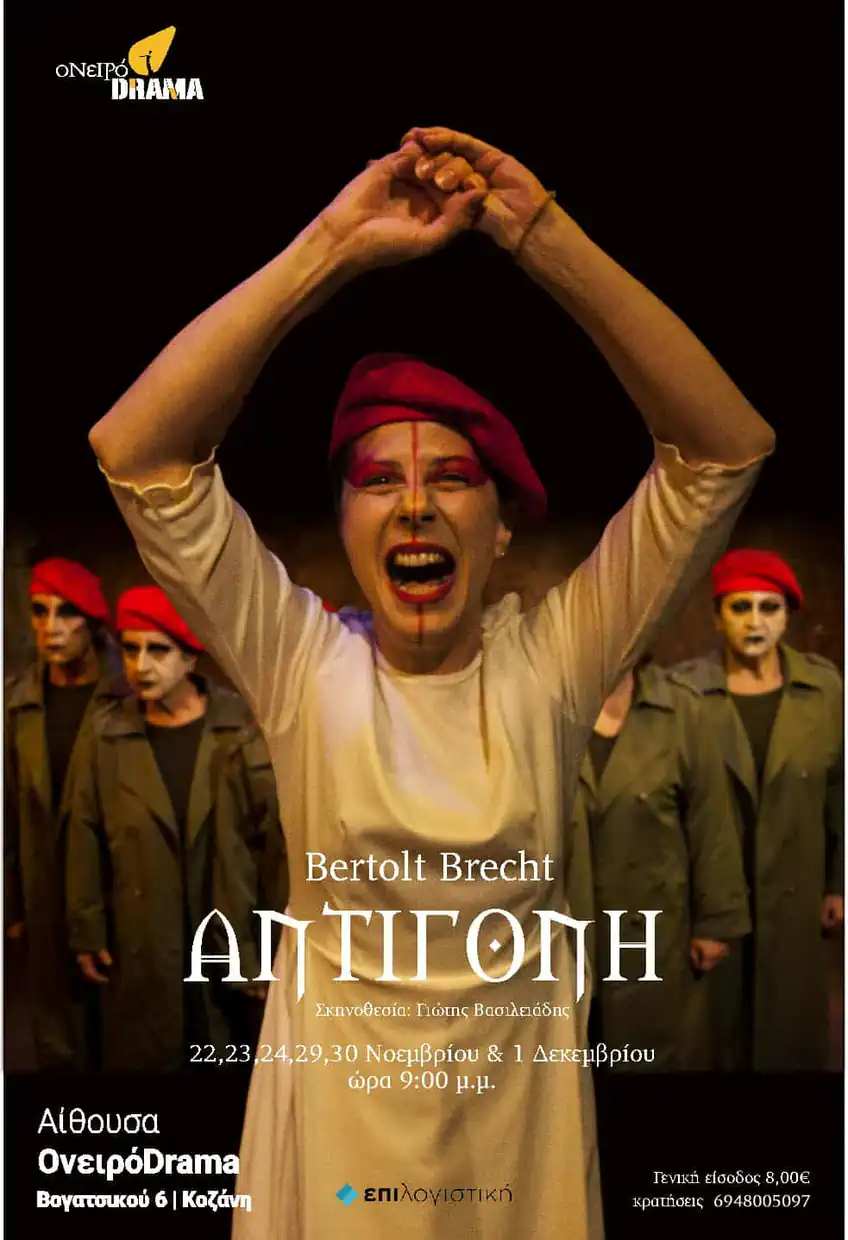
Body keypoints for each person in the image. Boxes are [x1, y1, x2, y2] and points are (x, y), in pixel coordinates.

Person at [88, 125, 774, 1239]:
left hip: (512, 1129)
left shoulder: (550, 663)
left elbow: (725, 450)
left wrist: (542, 236)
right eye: (378, 481)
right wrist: (330, 246)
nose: (413, 504)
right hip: (338, 1128)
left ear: (500, 527)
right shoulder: (303, 660)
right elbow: (139, 450)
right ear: (345, 523)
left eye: (451, 477)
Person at [65, 585, 284, 1071]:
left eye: (157, 650)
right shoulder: (106, 734)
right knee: (150, 1060)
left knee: (227, 1064)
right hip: (141, 932)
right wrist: (86, 927)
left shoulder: (241, 729)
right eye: (131, 649)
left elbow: (273, 845)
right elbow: (84, 830)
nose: (140, 665)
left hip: (225, 928)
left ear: (189, 658)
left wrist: (273, 947)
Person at [674, 549, 843, 1071]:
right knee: (712, 1042)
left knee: (791, 1040)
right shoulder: (683, 693)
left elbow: (840, 792)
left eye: (769, 608)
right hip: (708, 904)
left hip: (796, 901)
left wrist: (838, 882)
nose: (755, 622)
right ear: (717, 615)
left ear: (787, 617)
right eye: (740, 607)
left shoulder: (825, 690)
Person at [566, 659, 750, 1071]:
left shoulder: (680, 711)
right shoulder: (545, 707)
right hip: (564, 934)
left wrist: (716, 921)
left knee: (653, 1052)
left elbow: (710, 821)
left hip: (656, 931)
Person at [4, 557, 125, 1071]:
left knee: (127, 1036)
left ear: (92, 622)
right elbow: (9, 809)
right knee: (56, 1039)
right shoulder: (16, 703)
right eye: (40, 611)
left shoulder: (128, 694)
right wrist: (12, 901)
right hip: (45, 893)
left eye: (67, 612)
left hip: (119, 892)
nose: (51, 627)